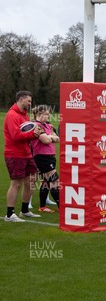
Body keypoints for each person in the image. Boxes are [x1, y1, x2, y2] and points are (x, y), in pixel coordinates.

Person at [4, 91, 43, 222]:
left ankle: (25, 210)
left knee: (31, 180)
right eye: (29, 101)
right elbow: (15, 136)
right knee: (16, 183)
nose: (30, 104)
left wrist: (36, 131)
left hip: (26, 153)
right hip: (14, 154)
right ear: (21, 100)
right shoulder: (12, 115)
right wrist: (34, 134)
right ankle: (9, 214)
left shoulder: (25, 115)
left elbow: (28, 132)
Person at [30, 105, 61, 212]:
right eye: (47, 114)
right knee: (54, 181)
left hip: (50, 156)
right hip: (42, 157)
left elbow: (57, 139)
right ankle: (62, 206)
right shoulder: (35, 125)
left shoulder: (48, 125)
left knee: (46, 181)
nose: (49, 116)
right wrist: (51, 137)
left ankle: (42, 207)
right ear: (39, 115)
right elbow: (46, 141)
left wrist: (50, 137)